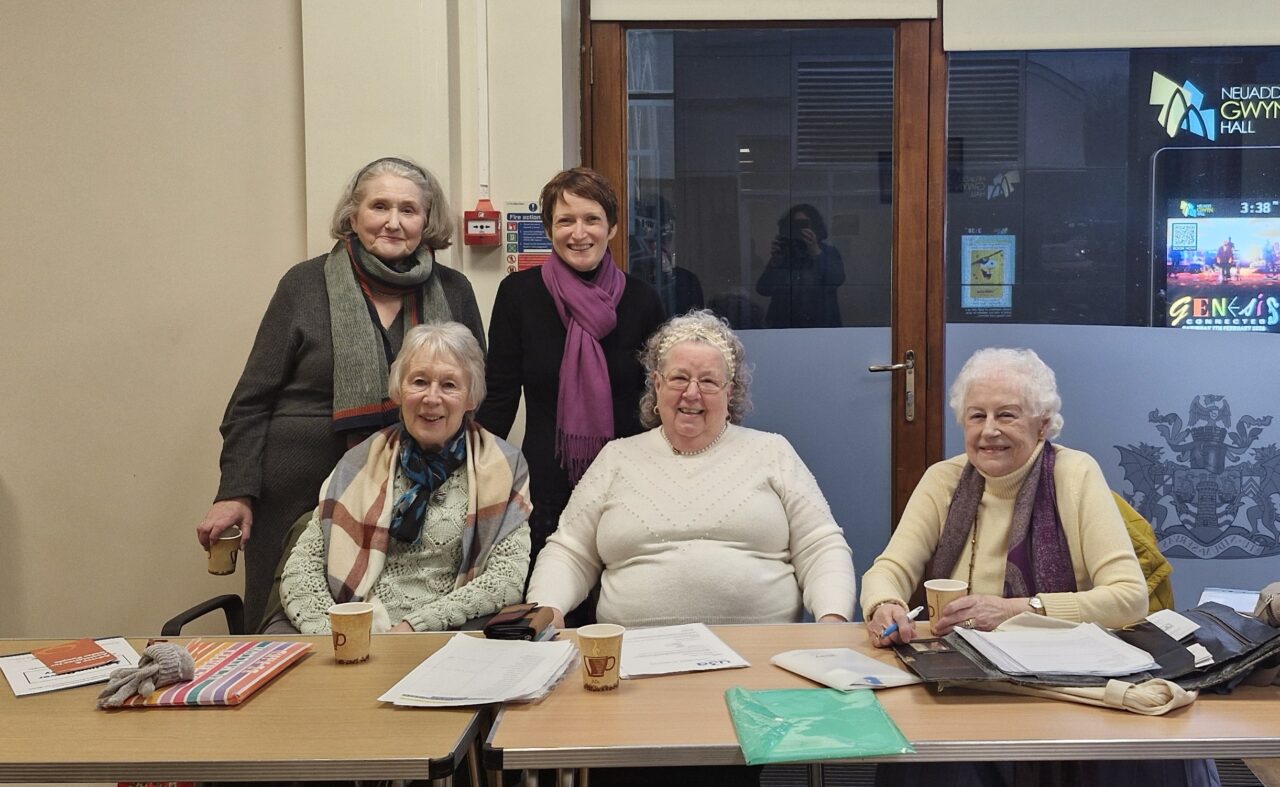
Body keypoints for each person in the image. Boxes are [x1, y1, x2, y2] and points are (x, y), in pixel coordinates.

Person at [862, 348, 1217, 787]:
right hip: (970, 679)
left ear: (1043, 423)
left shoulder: (1075, 473)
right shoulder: (944, 479)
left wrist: (1014, 609)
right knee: (919, 757)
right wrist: (884, 604)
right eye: (976, 416)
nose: (988, 431)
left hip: (1065, 681)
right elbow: (888, 568)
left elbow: (1129, 597)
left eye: (1007, 415)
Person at [197, 157, 486, 629]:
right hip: (298, 487)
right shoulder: (303, 285)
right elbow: (251, 402)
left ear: (427, 221)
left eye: (409, 210)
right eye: (380, 206)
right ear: (353, 216)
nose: (393, 221)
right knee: (286, 625)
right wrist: (236, 492)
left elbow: (473, 395)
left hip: (416, 488)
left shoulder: (453, 291)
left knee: (394, 625)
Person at [527, 310, 856, 630]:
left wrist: (832, 621)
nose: (692, 393)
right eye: (679, 378)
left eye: (709, 381)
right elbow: (569, 552)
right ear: (657, 385)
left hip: (761, 655)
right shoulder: (616, 458)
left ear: (730, 392)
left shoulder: (772, 452)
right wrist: (546, 613)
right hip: (635, 658)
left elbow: (820, 546)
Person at [276, 322, 530, 634]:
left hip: (449, 637)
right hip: (359, 632)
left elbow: (506, 578)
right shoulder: (360, 462)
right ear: (398, 391)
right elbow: (303, 567)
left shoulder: (504, 466)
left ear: (471, 398)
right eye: (419, 382)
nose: (431, 398)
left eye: (449, 385)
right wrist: (337, 635)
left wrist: (415, 626)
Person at [477, 167, 665, 576]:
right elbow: (500, 395)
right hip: (548, 482)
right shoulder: (518, 296)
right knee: (553, 597)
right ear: (549, 229)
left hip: (631, 480)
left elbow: (660, 400)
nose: (579, 232)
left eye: (591, 219)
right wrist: (471, 469)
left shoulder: (642, 300)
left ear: (612, 227)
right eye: (565, 220)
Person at [756, 203, 846, 328]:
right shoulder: (784, 254)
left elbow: (836, 280)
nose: (800, 230)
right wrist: (776, 261)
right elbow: (763, 289)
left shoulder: (828, 252)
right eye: (795, 226)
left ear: (815, 226)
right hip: (784, 328)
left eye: (804, 225)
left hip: (821, 328)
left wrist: (815, 251)